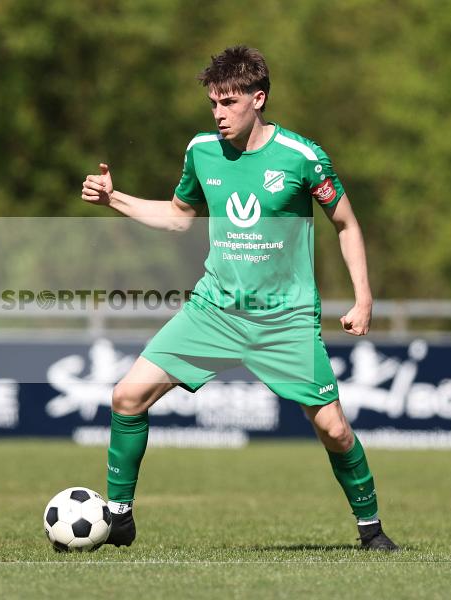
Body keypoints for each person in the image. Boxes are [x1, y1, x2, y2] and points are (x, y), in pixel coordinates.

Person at [81, 46, 398, 550]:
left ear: (259, 98)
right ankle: (119, 518)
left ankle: (371, 530)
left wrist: (363, 299)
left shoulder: (302, 157)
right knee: (126, 396)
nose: (218, 113)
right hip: (215, 311)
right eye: (212, 102)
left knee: (335, 431)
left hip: (284, 320)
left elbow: (346, 223)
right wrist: (113, 198)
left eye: (228, 102)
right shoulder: (201, 151)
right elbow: (178, 216)